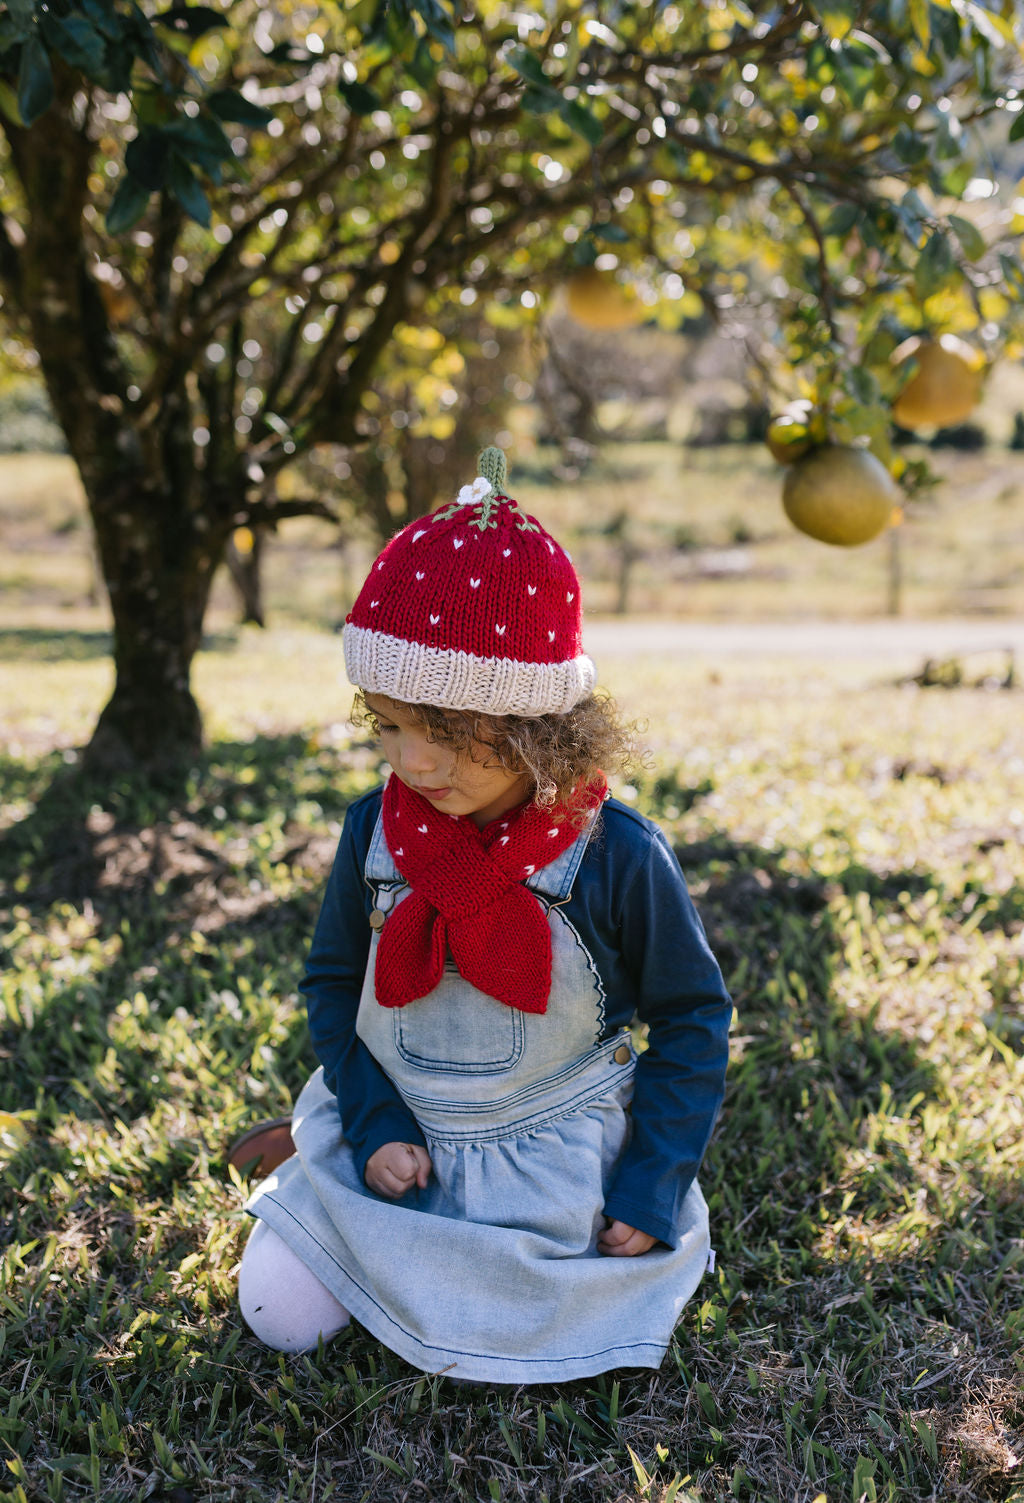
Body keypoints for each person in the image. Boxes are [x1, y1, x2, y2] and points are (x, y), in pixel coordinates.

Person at [236, 447, 732, 1383]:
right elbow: (334, 983)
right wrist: (376, 1119)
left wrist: (652, 1178)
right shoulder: (371, 835)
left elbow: (694, 1018)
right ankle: (314, 1162)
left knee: (579, 1325)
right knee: (279, 1316)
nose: (414, 763)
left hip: (547, 1147)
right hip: (400, 1130)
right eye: (388, 724)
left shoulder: (616, 853)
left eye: (452, 734)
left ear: (543, 727)